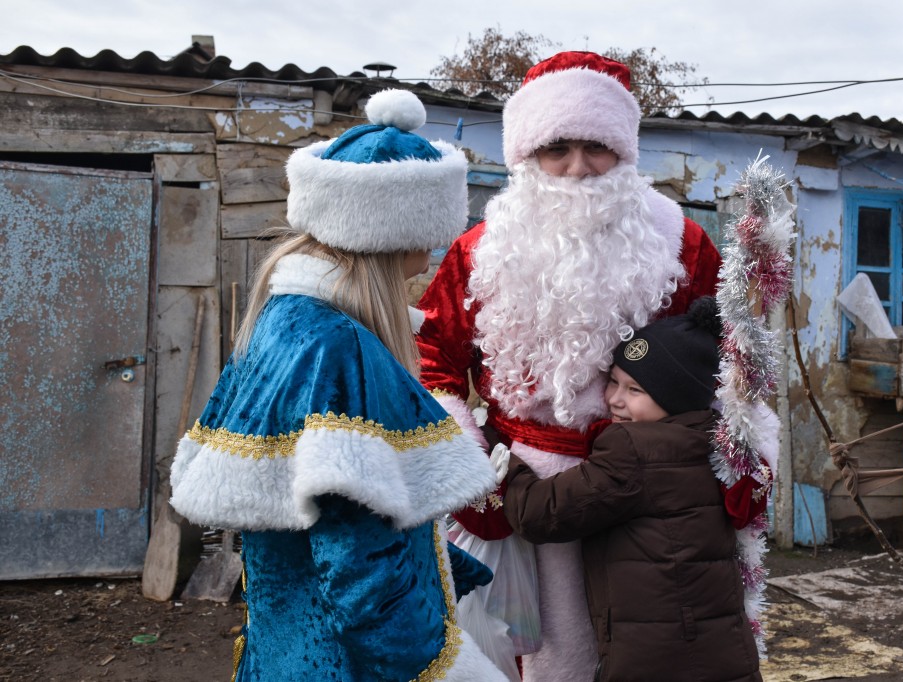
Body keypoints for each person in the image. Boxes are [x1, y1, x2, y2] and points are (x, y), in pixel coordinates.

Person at [170, 89, 507, 681]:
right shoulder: (341, 348)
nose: (431, 255)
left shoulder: (282, 319)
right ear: (389, 231)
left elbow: (324, 522)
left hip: (283, 653)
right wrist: (456, 670)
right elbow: (360, 580)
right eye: (427, 232)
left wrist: (443, 565)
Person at [415, 51, 726, 680]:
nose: (578, 169)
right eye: (558, 148)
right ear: (527, 156)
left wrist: (727, 464)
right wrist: (469, 469)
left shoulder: (681, 243)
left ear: (626, 150)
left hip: (651, 492)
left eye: (597, 146)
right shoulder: (480, 251)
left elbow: (729, 366)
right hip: (523, 490)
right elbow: (431, 363)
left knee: (657, 648)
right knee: (541, 657)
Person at [501, 297, 764, 682]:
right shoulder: (712, 441)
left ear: (674, 398)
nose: (613, 400)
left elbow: (542, 513)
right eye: (614, 381)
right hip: (717, 654)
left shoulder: (635, 451)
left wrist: (507, 463)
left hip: (655, 662)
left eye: (634, 389)